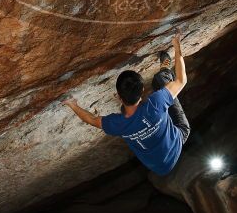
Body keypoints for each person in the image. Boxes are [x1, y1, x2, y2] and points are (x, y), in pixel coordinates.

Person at [62, 32, 190, 176]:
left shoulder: (117, 124)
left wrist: (71, 104)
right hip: (178, 138)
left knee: (161, 91)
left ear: (118, 97)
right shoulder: (156, 102)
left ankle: (163, 70)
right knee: (161, 79)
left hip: (158, 167)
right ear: (142, 90)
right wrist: (177, 45)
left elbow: (91, 120)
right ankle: (165, 67)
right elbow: (181, 81)